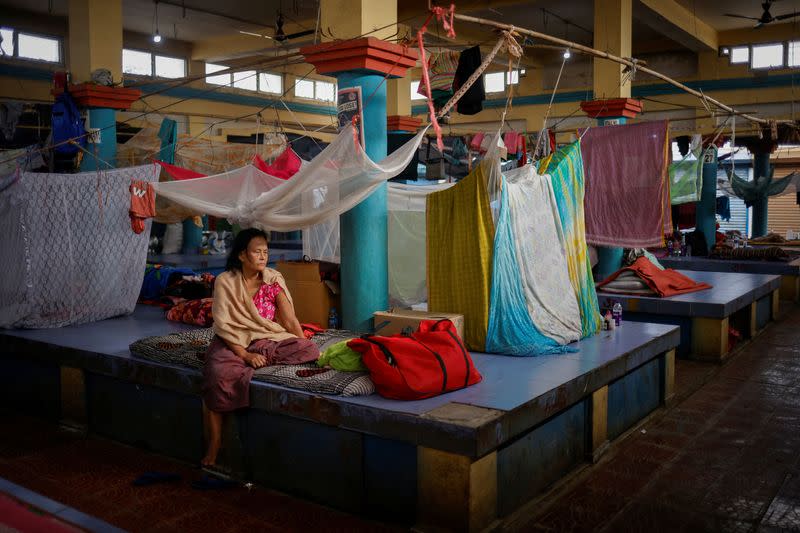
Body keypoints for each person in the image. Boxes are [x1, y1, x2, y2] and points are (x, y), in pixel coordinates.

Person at [202, 228, 319, 466]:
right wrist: (244, 354)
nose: (263, 256)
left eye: (266, 252)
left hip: (266, 339)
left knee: (308, 350)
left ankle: (259, 357)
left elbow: (288, 321)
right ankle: (214, 448)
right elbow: (223, 325)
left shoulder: (273, 279)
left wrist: (308, 345)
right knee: (216, 373)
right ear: (242, 255)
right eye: (257, 252)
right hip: (233, 340)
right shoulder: (225, 282)